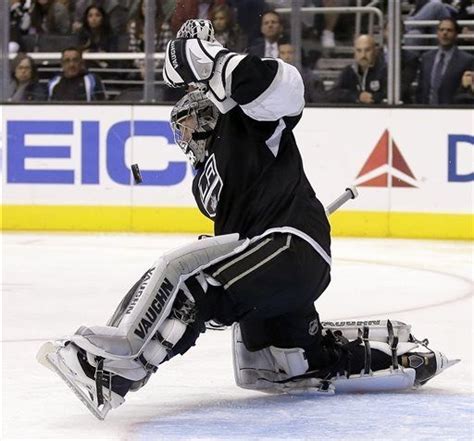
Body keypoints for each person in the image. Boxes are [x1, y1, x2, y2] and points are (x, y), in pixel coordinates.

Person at [37, 19, 457, 420]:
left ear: (208, 113)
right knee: (279, 360)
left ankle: (115, 373)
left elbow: (286, 86)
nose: (182, 137)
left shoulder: (250, 122)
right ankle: (378, 358)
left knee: (195, 283)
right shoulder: (205, 181)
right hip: (271, 265)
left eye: (185, 124)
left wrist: (211, 62)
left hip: (291, 245)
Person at [416, 18, 474, 104]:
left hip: (453, 111)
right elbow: (421, 89)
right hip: (426, 111)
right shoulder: (426, 58)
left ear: (456, 34)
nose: (444, 33)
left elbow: (467, 92)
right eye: (441, 30)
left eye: (449, 30)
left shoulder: (467, 60)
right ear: (437, 33)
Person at [326, 34, 387, 104]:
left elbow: (390, 96)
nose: (363, 55)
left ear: (375, 51)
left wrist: (373, 98)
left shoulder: (384, 71)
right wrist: (357, 96)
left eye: (367, 50)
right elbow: (332, 94)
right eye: (359, 50)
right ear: (354, 53)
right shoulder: (349, 71)